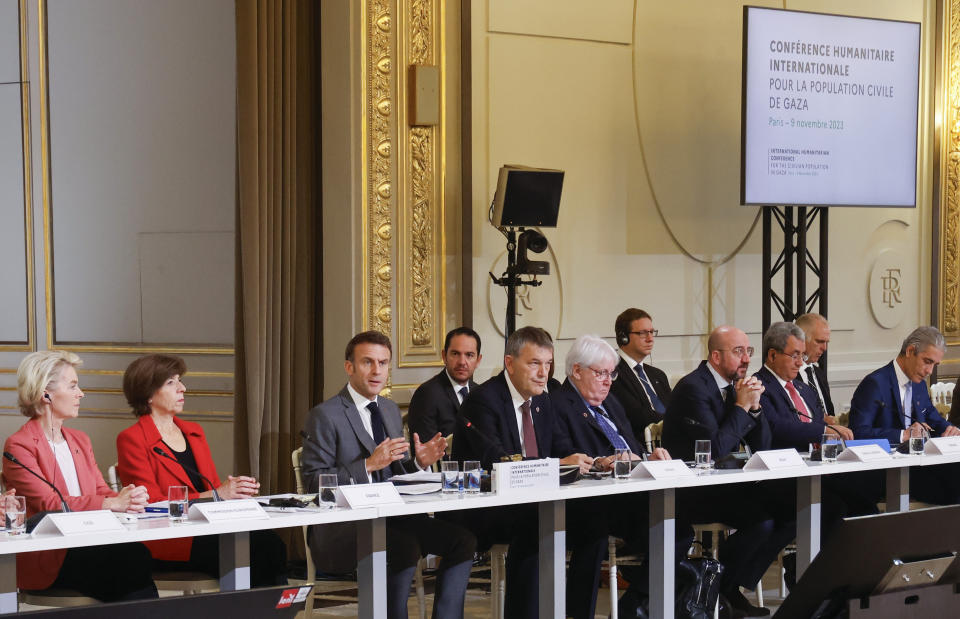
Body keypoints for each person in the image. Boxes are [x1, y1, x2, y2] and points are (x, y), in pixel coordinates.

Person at [302, 331, 475, 619]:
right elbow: (314, 485)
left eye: (383, 363)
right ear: (349, 367)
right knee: (404, 546)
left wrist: (419, 462)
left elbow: (396, 476)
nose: (376, 371)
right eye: (367, 362)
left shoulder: (390, 410)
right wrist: (367, 465)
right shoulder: (325, 415)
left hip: (394, 518)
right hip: (344, 527)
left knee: (463, 540)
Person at [451, 326, 597, 619]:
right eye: (534, 363)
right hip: (484, 506)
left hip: (532, 503)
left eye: (547, 364)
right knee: (537, 523)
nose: (543, 373)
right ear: (509, 363)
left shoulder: (543, 399)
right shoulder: (484, 400)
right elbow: (499, 461)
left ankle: (577, 613)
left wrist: (590, 461)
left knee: (594, 525)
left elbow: (561, 447)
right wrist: (556, 464)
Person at [116, 354, 287, 586]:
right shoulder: (132, 439)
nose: (182, 388)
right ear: (147, 394)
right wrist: (218, 495)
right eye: (171, 383)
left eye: (180, 380)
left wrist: (235, 491)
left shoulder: (194, 432)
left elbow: (213, 488)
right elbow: (151, 505)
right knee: (258, 547)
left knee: (270, 542)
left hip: (208, 528)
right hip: (171, 538)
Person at [551, 334, 690, 618]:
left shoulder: (611, 402)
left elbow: (632, 447)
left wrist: (648, 457)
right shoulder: (558, 404)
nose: (607, 380)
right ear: (576, 371)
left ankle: (635, 603)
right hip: (587, 503)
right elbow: (563, 453)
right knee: (596, 533)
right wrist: (603, 462)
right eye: (600, 373)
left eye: (611, 373)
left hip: (630, 493)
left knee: (679, 529)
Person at [661, 326, 795, 618]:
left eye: (748, 351)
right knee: (760, 521)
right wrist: (742, 406)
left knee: (794, 508)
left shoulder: (736, 386)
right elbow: (712, 450)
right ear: (716, 356)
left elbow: (764, 449)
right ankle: (721, 589)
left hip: (728, 484)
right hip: (690, 490)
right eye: (738, 352)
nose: (746, 358)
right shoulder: (694, 389)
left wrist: (755, 409)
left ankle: (729, 588)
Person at [2, 350, 158, 601]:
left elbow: (100, 492)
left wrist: (128, 498)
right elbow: (51, 504)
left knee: (134, 559)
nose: (81, 393)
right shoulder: (19, 446)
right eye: (73, 386)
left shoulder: (80, 440)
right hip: (50, 553)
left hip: (90, 540)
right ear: (46, 394)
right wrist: (111, 503)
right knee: (130, 560)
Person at [754, 322, 875, 542]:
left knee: (865, 501)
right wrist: (824, 430)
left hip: (819, 472)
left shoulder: (804, 390)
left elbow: (818, 425)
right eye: (794, 356)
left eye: (802, 355)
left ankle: (857, 570)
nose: (800, 362)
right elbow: (776, 428)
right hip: (783, 478)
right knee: (834, 508)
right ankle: (812, 571)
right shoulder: (759, 386)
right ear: (772, 355)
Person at [850, 326, 960, 504]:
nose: (930, 371)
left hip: (916, 465)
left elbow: (931, 415)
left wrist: (949, 429)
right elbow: (858, 433)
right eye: (927, 361)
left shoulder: (918, 383)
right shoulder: (875, 383)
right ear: (910, 351)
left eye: (935, 365)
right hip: (886, 470)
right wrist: (904, 435)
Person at [406, 327, 481, 442]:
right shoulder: (427, 394)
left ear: (478, 360)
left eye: (469, 355)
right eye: (455, 354)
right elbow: (424, 451)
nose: (462, 362)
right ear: (444, 356)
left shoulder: (480, 393)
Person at [610, 308, 672, 438]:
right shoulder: (612, 372)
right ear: (624, 338)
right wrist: (676, 423)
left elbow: (674, 409)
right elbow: (636, 416)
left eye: (652, 332)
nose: (650, 339)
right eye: (643, 333)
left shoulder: (658, 375)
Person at [795, 313, 835, 418]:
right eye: (820, 341)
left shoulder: (819, 373)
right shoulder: (788, 376)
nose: (824, 348)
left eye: (827, 342)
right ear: (801, 339)